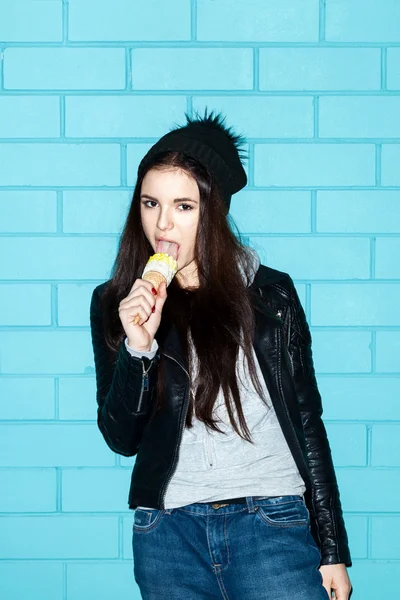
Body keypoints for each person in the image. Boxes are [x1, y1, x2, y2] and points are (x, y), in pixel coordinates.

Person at [90, 109, 353, 600]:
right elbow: (121, 437)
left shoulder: (270, 294)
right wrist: (138, 348)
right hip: (167, 535)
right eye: (151, 203)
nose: (163, 223)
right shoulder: (116, 302)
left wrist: (332, 547)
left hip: (271, 522)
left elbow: (306, 420)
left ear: (213, 211)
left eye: (183, 206)